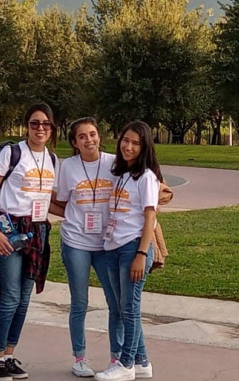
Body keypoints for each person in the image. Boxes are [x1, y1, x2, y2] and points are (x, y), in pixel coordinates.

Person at [0, 103, 58, 381]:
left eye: (46, 124)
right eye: (35, 123)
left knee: (24, 299)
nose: (40, 128)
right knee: (10, 296)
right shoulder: (11, 153)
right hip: (9, 230)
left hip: (37, 231)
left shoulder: (52, 159)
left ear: (52, 128)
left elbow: (48, 202)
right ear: (27, 125)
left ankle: (10, 356)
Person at [52, 117, 125, 377]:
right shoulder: (68, 167)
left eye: (92, 134)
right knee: (79, 302)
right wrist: (74, 217)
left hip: (108, 243)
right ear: (74, 142)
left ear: (99, 137)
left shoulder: (114, 163)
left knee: (116, 303)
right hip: (76, 243)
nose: (89, 140)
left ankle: (117, 358)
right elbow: (57, 200)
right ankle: (80, 357)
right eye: (82, 136)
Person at [95, 121, 161, 381]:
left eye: (136, 143)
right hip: (113, 246)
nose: (129, 146)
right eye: (126, 140)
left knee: (129, 308)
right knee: (124, 309)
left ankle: (126, 364)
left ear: (144, 148)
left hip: (133, 248)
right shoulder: (122, 174)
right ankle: (142, 361)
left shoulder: (147, 177)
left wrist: (141, 255)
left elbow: (150, 219)